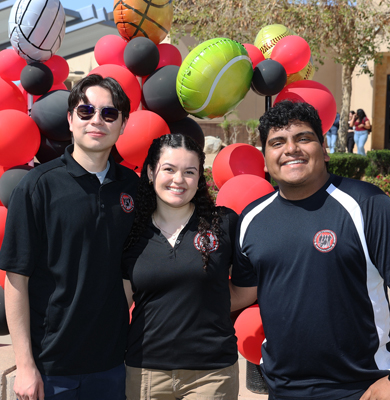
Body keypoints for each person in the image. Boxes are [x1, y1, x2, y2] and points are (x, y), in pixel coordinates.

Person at [230, 100, 390, 400]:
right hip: (283, 390)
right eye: (277, 142)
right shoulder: (252, 218)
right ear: (265, 159)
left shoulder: (367, 205)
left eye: (303, 138)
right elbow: (242, 293)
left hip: (363, 388)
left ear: (324, 149)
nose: (291, 149)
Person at [0, 74, 139, 400]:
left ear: (123, 123)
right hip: (50, 369)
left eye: (109, 113)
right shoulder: (38, 186)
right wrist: (25, 365)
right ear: (70, 119)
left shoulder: (133, 189)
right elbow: (16, 280)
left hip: (112, 365)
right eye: (86, 111)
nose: (96, 121)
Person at [122, 133, 239, 400]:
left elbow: (244, 289)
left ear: (199, 178)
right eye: (169, 169)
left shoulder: (225, 224)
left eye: (189, 171)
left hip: (213, 373)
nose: (178, 180)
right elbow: (120, 300)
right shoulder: (130, 232)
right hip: (146, 371)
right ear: (151, 172)